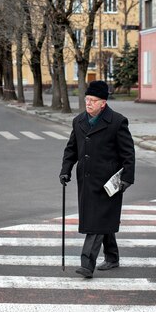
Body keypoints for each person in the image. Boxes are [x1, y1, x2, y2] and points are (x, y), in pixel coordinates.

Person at [59, 80, 135, 278]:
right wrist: (65, 170)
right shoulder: (78, 121)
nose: (88, 103)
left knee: (97, 222)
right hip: (86, 180)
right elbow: (71, 149)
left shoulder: (118, 121)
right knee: (102, 219)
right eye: (87, 99)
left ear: (103, 103)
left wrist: (126, 178)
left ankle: (87, 264)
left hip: (109, 182)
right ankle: (112, 257)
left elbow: (128, 154)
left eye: (93, 100)